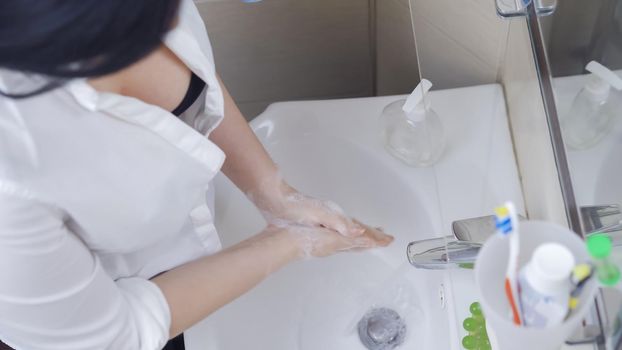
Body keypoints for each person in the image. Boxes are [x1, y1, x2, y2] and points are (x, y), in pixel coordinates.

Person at [0, 1, 394, 349]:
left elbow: (194, 89)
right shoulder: (13, 175)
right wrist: (290, 242)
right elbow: (120, 335)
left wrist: (274, 195)